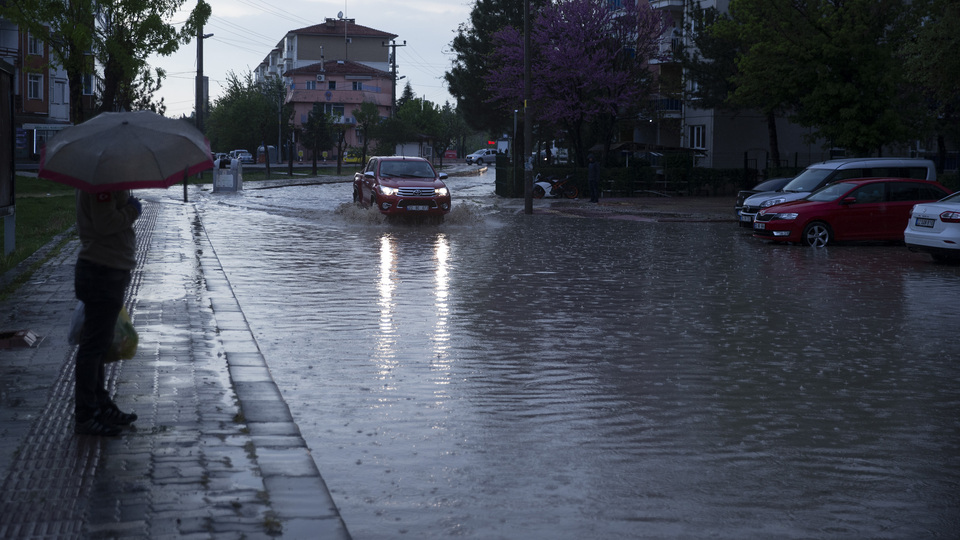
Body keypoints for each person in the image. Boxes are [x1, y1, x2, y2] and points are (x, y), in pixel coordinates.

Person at [73, 189, 141, 436]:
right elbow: (105, 223)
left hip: (106, 269)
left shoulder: (104, 177)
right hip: (102, 270)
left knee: (98, 346)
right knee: (93, 347)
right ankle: (86, 415)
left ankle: (99, 405)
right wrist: (133, 208)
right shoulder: (103, 180)